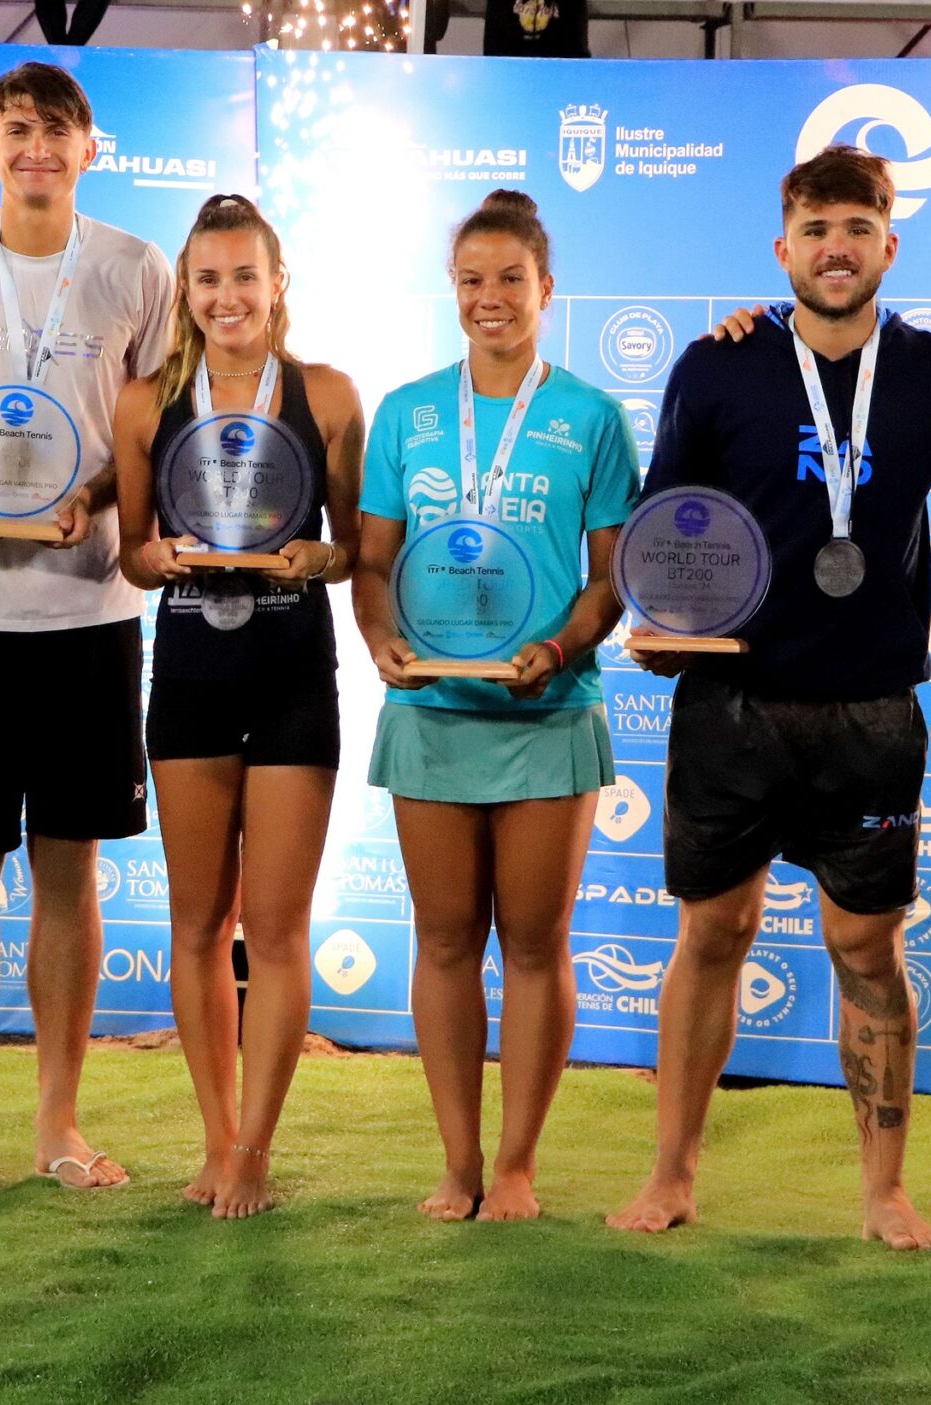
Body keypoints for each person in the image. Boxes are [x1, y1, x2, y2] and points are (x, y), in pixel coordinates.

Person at [606, 146, 931, 1251]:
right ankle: (671, 1176)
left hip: (869, 714)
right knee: (712, 931)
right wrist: (656, 629)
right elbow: (665, 528)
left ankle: (883, 1190)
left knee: (866, 949)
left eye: (856, 228)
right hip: (733, 703)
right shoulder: (718, 364)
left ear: (888, 246)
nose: (835, 248)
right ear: (783, 248)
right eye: (814, 229)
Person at [0, 62, 175, 1207]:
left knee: (70, 866)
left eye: (57, 132)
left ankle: (58, 1117)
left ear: (89, 149)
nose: (37, 149)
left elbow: (148, 427)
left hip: (85, 610)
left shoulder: (133, 268)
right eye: (17, 130)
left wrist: (96, 504)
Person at [350, 189, 640, 1222]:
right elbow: (374, 562)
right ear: (452, 290)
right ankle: (458, 1160)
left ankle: (516, 1163)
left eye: (510, 279)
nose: (490, 299)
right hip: (433, 711)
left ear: (546, 288)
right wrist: (376, 636)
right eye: (471, 280)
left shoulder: (591, 419)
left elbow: (611, 575)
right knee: (441, 939)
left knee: (532, 943)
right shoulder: (406, 412)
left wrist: (559, 644)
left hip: (547, 712)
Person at [112, 194, 363, 1219]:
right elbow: (130, 555)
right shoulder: (142, 404)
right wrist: (156, 556)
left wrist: (321, 556)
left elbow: (358, 548)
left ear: (278, 282)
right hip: (188, 671)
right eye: (207, 280)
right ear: (187, 289)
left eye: (243, 277)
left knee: (278, 926)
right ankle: (215, 1136)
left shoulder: (331, 395)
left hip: (294, 667)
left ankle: (257, 1143)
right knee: (196, 921)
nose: (227, 298)